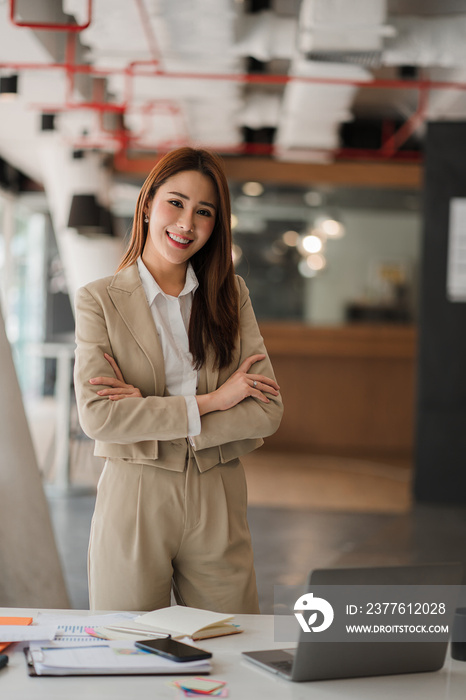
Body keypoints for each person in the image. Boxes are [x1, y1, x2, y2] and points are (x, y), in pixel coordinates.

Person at [74, 147, 283, 614]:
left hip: (218, 489)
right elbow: (100, 416)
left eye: (204, 211)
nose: (187, 222)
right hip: (136, 492)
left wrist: (147, 409)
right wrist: (213, 401)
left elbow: (266, 409)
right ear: (148, 203)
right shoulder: (99, 301)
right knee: (125, 649)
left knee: (230, 644)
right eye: (176, 202)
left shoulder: (232, 297)